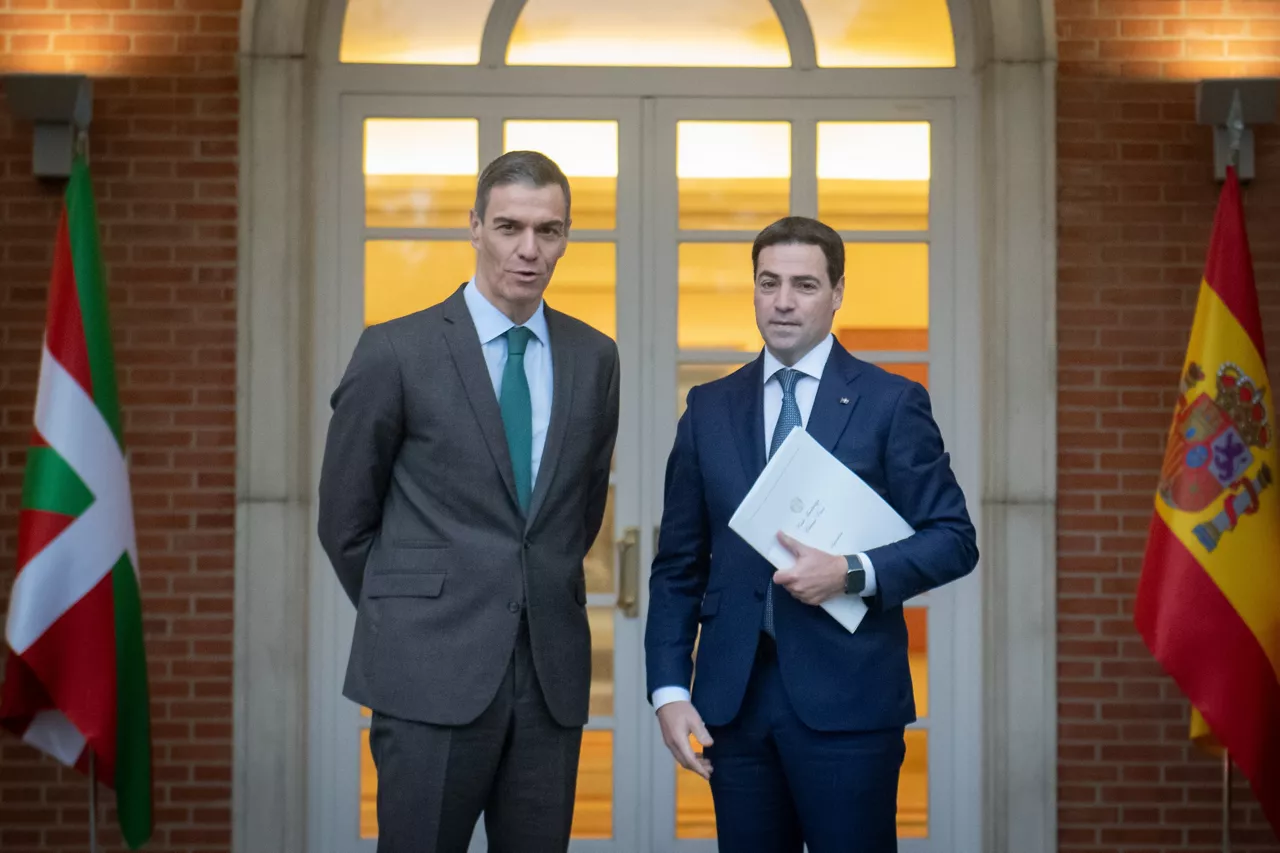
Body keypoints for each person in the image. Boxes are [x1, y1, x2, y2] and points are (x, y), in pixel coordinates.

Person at [318, 150, 620, 853]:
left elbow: (578, 509)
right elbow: (345, 520)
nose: (528, 249)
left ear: (566, 236)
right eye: (510, 226)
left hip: (548, 677)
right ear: (475, 227)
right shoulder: (396, 349)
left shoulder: (593, 356)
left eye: (549, 231)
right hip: (427, 671)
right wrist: (414, 612)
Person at [644, 216, 977, 852]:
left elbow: (953, 538)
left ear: (837, 292)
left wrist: (850, 571)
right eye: (769, 283)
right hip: (732, 704)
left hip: (849, 702)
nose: (784, 301)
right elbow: (678, 564)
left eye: (803, 284)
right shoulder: (709, 408)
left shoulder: (890, 402)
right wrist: (667, 690)